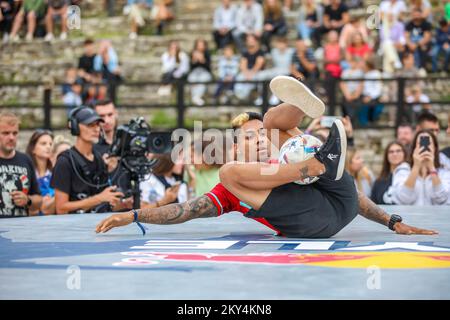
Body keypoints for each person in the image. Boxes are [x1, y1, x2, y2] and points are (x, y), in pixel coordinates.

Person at [97, 77, 436, 237]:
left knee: (276, 122)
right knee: (229, 173)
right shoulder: (230, 186)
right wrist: (133, 215)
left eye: (260, 135)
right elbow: (184, 211)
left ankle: (302, 103)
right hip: (312, 223)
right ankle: (313, 160)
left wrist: (392, 222)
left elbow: (354, 197)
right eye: (250, 137)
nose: (260, 140)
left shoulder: (280, 147)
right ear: (235, 146)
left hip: (335, 195)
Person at [50, 107, 125, 214]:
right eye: (90, 125)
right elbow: (61, 208)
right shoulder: (64, 161)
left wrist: (121, 204)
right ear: (75, 127)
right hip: (72, 228)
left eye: (98, 124)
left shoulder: (98, 159)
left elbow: (103, 202)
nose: (96, 129)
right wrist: (99, 198)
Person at [387, 130, 450, 205]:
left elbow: (442, 198)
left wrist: (431, 167)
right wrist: (416, 167)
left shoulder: (444, 170)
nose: (424, 147)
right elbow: (403, 198)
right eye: (420, 143)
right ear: (414, 148)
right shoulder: (403, 169)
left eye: (428, 143)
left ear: (435, 148)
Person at [0, 112, 42, 217]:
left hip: (20, 229)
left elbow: (39, 201)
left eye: (15, 133)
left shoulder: (26, 160)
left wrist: (27, 200)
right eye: (5, 133)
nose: (11, 138)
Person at [26, 129, 56, 215]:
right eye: (43, 143)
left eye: (50, 144)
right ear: (33, 149)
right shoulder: (26, 173)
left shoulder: (54, 173)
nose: (48, 147)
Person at [234, 34, 265, 103]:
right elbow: (242, 64)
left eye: (251, 40)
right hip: (247, 72)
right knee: (239, 77)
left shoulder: (261, 52)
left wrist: (251, 73)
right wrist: (246, 73)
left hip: (257, 72)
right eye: (248, 40)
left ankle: (260, 97)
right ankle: (240, 97)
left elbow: (258, 64)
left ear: (256, 41)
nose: (249, 41)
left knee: (258, 78)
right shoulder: (245, 52)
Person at [187, 39, 213, 107]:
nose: (200, 47)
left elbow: (209, 67)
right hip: (195, 72)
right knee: (192, 79)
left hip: (205, 72)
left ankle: (196, 97)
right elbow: (190, 67)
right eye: (199, 45)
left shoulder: (207, 53)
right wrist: (194, 60)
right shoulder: (192, 53)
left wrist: (202, 60)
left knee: (203, 80)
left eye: (202, 45)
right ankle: (196, 98)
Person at [358, 59, 383, 126]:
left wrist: (370, 97)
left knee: (375, 106)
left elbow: (378, 88)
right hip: (363, 95)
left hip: (374, 96)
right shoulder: (362, 73)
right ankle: (363, 124)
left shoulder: (376, 73)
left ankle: (371, 122)